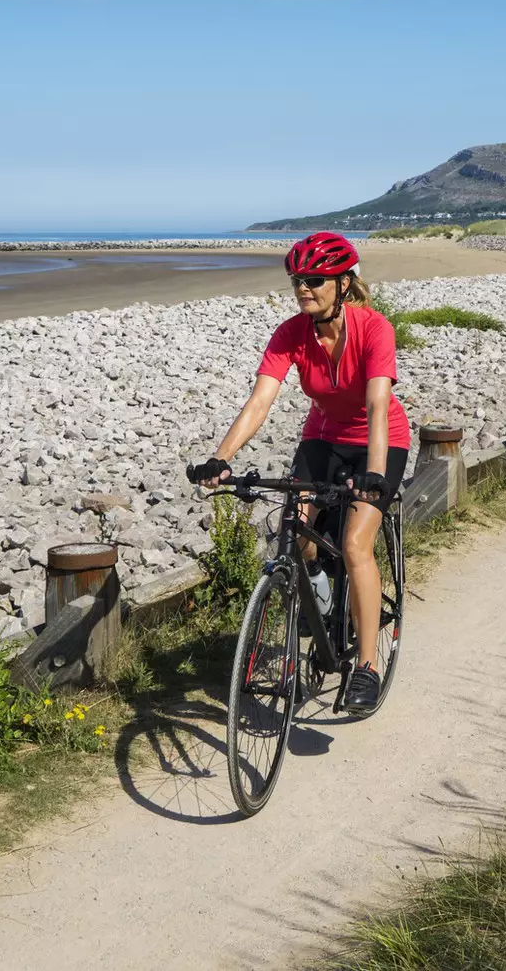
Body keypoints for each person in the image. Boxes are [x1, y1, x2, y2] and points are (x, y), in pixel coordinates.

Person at [189, 231, 410, 714]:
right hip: (322, 437)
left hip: (380, 441)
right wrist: (221, 457)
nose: (303, 288)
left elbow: (377, 404)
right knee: (299, 533)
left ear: (344, 284)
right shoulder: (291, 333)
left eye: (314, 279)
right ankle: (319, 588)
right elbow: (260, 401)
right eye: (297, 280)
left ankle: (367, 666)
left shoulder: (375, 329)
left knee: (355, 543)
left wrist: (373, 474)